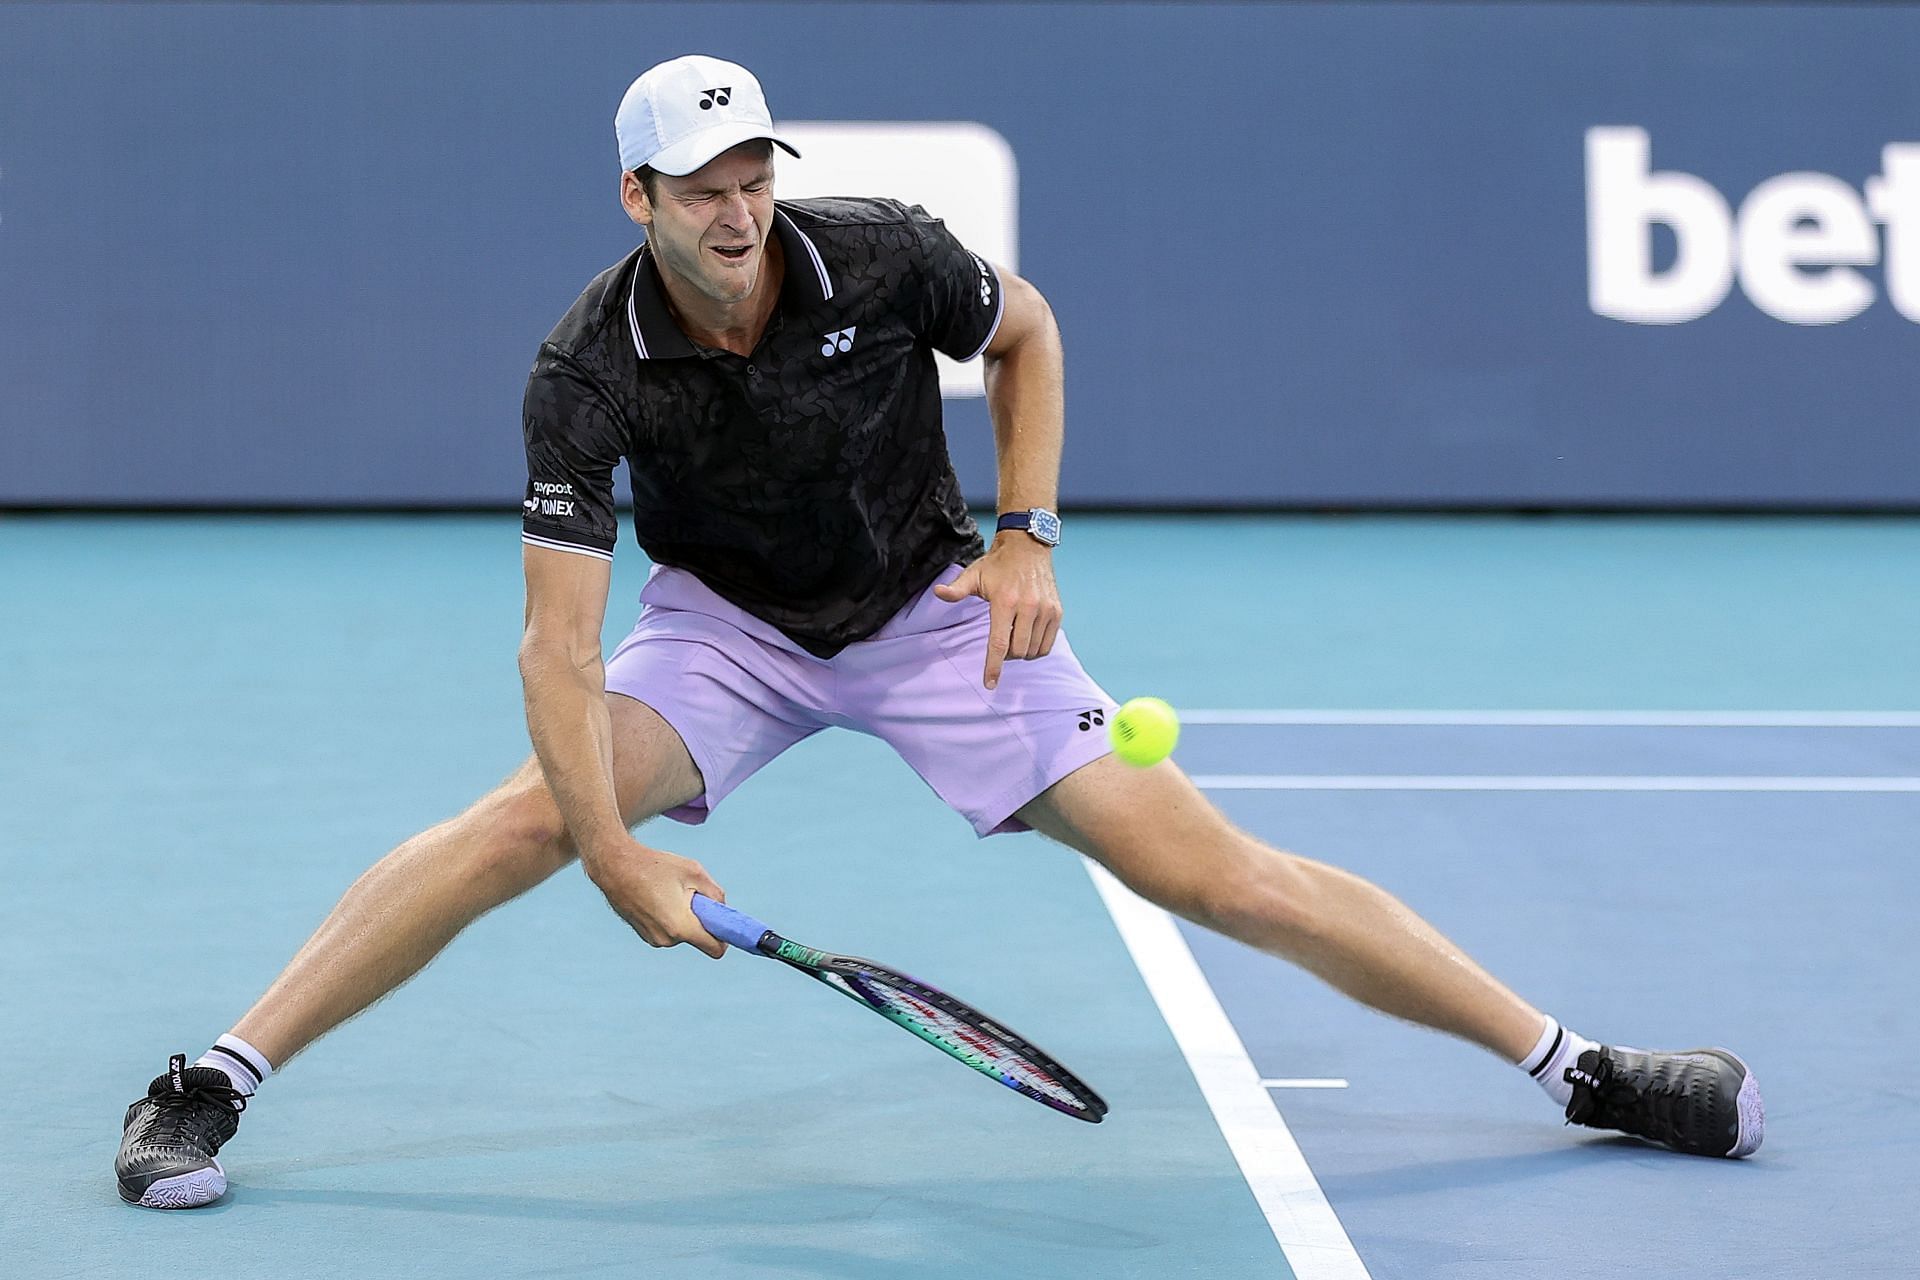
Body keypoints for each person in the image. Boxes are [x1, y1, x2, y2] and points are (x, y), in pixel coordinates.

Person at [115, 53, 1762, 1211]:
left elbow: (1030, 332)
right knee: (528, 816)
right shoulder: (583, 370)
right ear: (639, 197)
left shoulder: (884, 254)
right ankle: (211, 1078)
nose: (741, 208)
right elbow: (557, 651)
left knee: (1218, 877)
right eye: (704, 187)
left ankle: (1584, 1068)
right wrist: (619, 857)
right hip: (729, 633)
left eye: (757, 174)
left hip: (928, 609)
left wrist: (1029, 531)